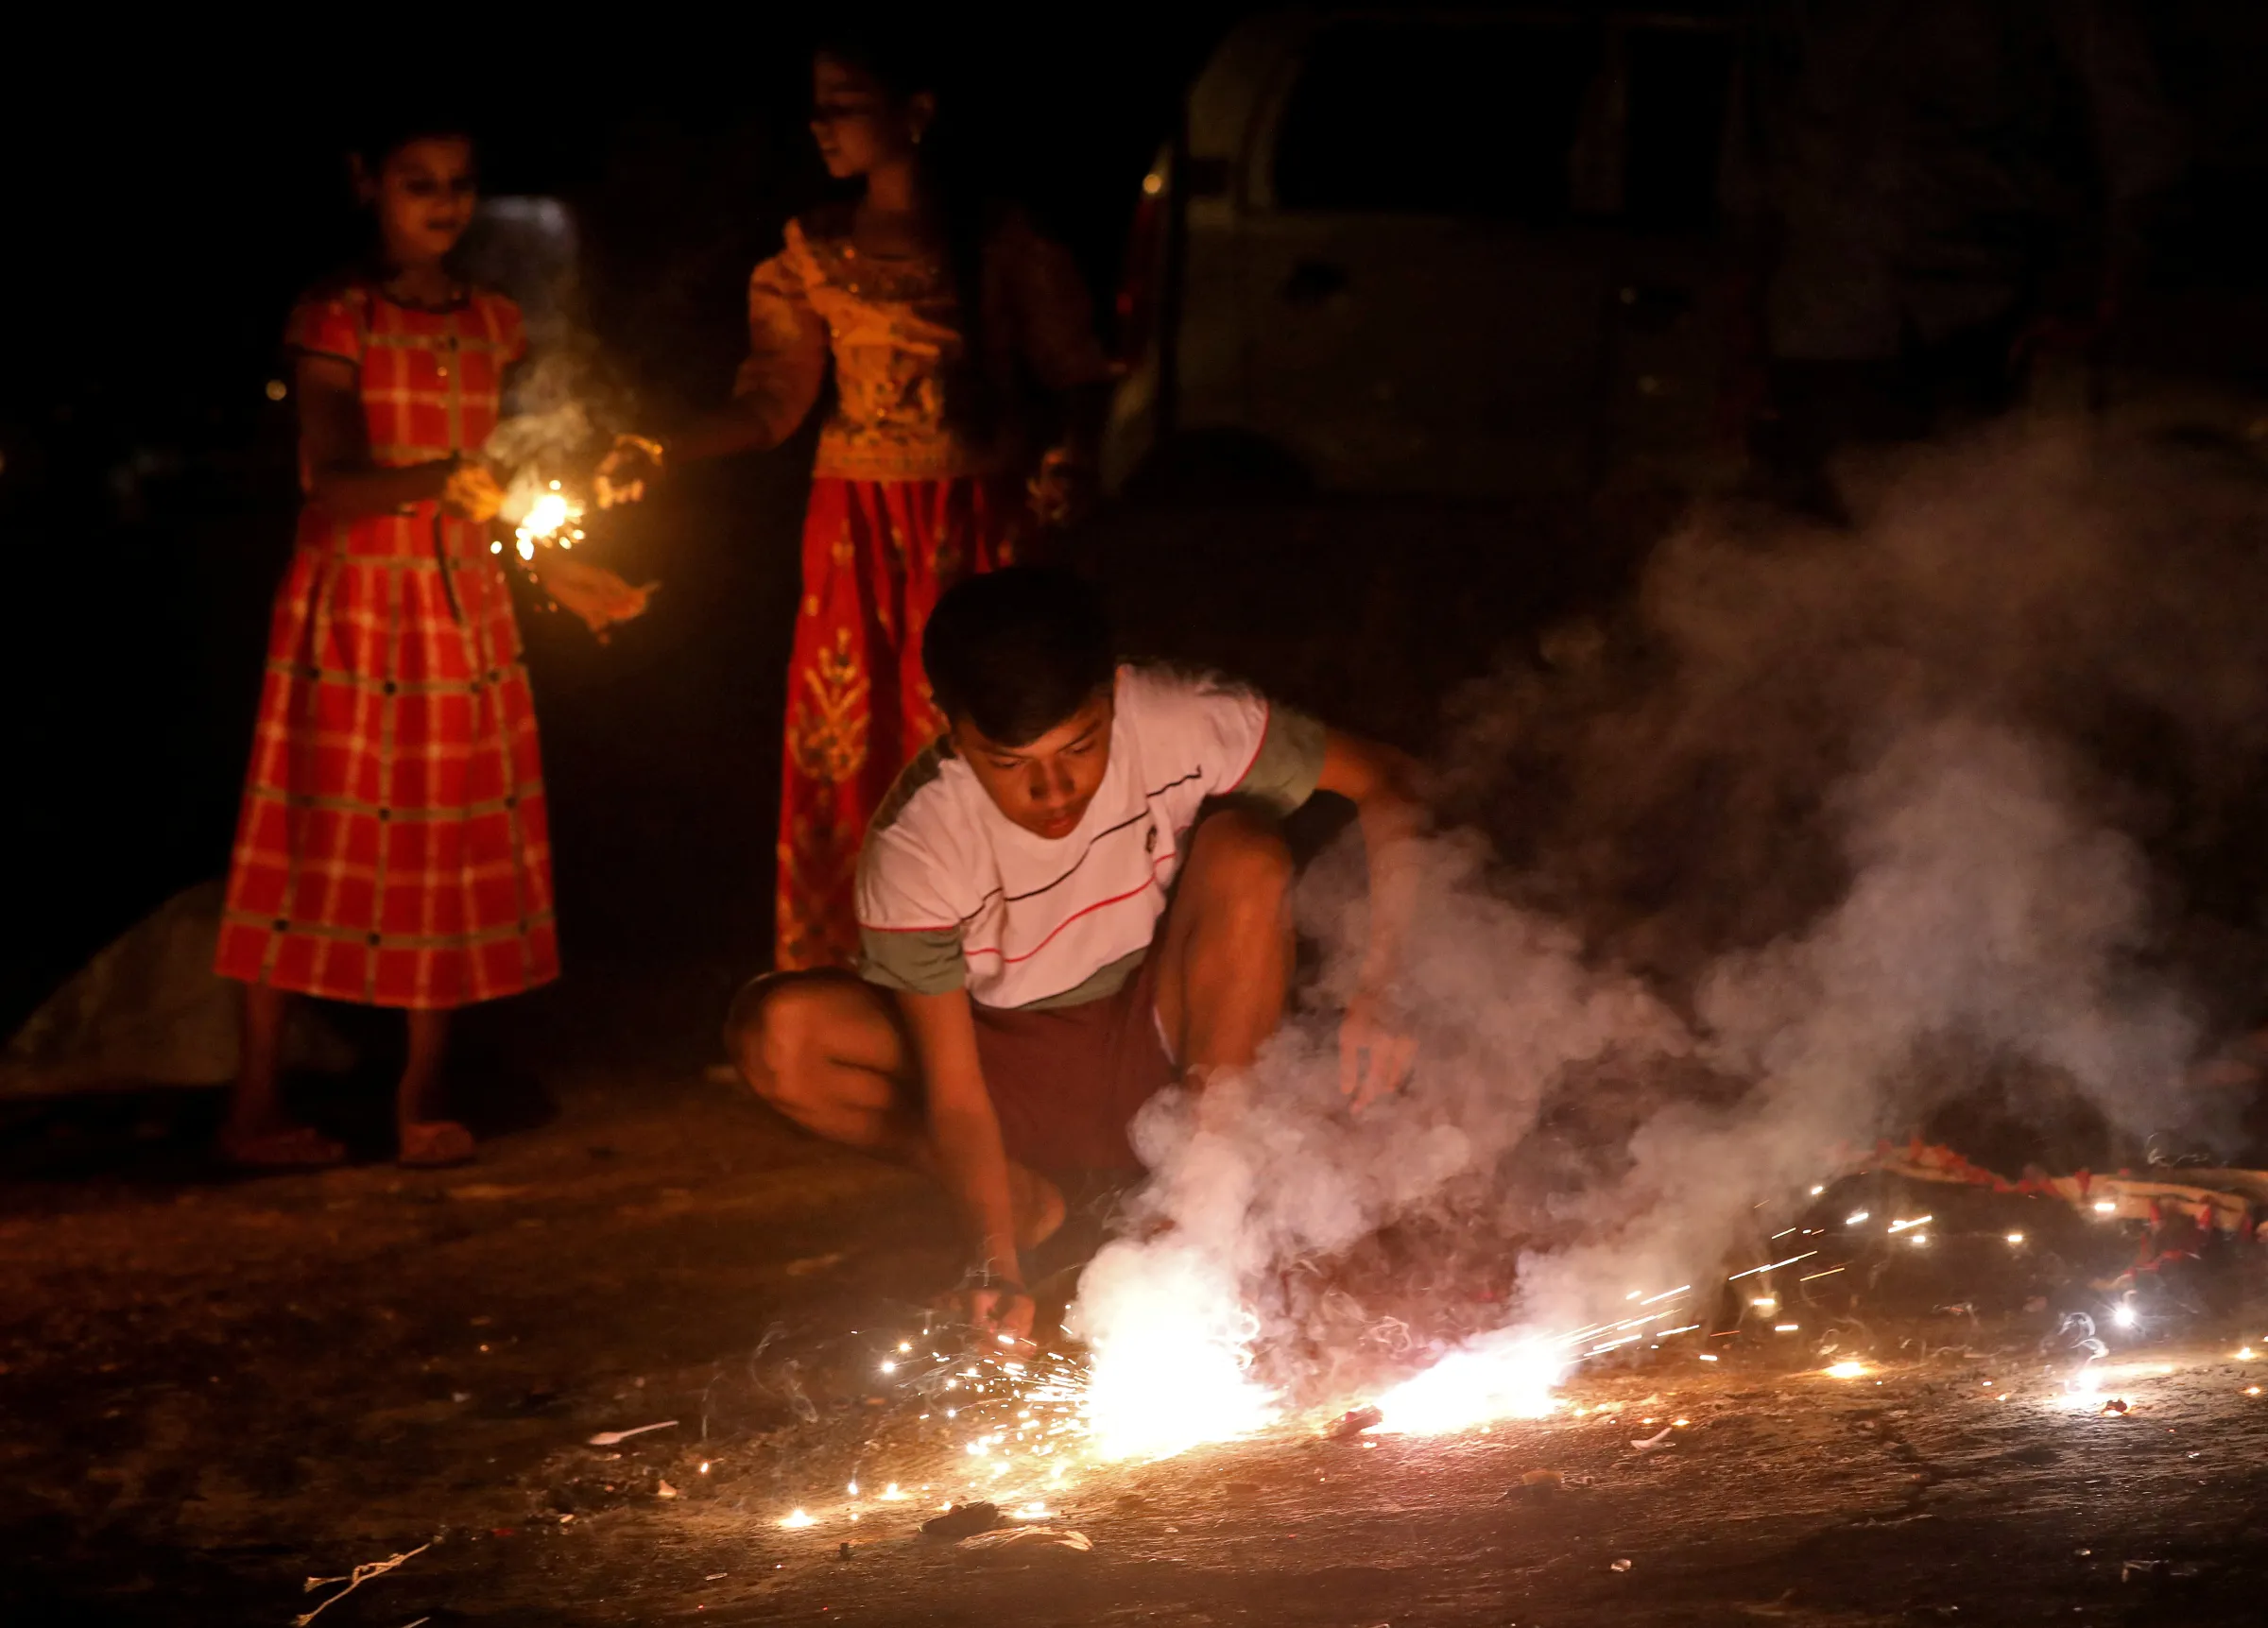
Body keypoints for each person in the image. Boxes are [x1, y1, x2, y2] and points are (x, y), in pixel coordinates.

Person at [724, 569, 1422, 1338]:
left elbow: (1389, 780)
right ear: (950, 728)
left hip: (1169, 1033)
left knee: (1248, 850)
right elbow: (957, 1095)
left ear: (1113, 691)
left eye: (1080, 747)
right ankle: (1024, 1201)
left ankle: (1201, 1212)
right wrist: (993, 1267)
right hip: (1010, 1069)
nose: (1054, 791)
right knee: (781, 1032)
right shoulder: (916, 848)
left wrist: (1384, 989)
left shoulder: (1185, 719)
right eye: (1010, 764)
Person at [598, 32, 1114, 972]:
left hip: (973, 539)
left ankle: (1012, 978)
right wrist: (663, 446)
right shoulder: (813, 253)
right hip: (855, 540)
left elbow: (1076, 374)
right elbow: (772, 401)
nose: (820, 123)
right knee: (852, 754)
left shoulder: (1000, 246)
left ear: (915, 114)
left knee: (981, 742)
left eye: (843, 100)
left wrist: (1071, 457)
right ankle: (853, 984)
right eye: (816, 103)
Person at [215, 116, 648, 1169]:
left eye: (459, 182)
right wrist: (438, 479)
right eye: (419, 182)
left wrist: (558, 569)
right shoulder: (335, 315)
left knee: (441, 847)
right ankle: (256, 1105)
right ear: (365, 182)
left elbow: (504, 484)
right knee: (303, 840)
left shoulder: (492, 320)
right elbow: (335, 478)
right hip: (352, 604)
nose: (444, 202)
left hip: (461, 604)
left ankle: (422, 1090)